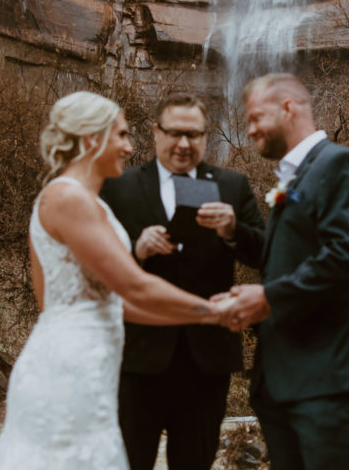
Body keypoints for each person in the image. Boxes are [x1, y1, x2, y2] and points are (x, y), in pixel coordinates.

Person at [0, 91, 233, 470]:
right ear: (91, 139)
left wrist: (204, 317)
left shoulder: (90, 202)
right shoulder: (68, 199)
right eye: (122, 136)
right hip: (68, 367)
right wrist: (216, 310)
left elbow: (124, 304)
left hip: (94, 370)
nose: (130, 148)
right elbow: (135, 287)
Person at [219, 73, 349, 470]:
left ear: (288, 108)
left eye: (255, 118)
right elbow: (285, 258)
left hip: (325, 374)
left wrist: (266, 297)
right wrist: (234, 233)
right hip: (284, 378)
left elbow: (348, 256)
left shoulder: (341, 165)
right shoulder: (299, 175)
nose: (248, 131)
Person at [100, 92, 265, 470]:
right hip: (137, 358)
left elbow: (266, 254)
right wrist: (135, 251)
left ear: (206, 137)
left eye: (193, 134)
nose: (184, 144)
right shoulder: (118, 186)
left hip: (205, 362)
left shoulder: (231, 186)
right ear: (156, 133)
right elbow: (96, 271)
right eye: (174, 133)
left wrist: (232, 230)